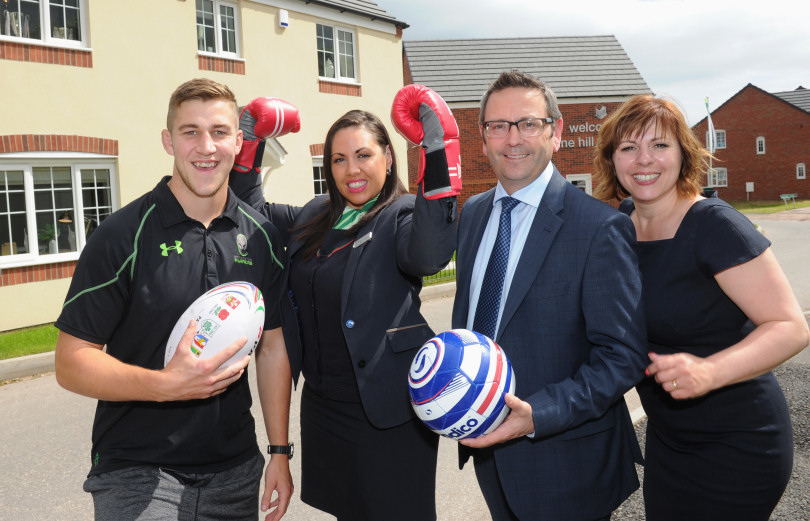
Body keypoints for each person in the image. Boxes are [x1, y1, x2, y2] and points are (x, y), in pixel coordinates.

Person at [54, 78, 295, 521]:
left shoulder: (260, 237)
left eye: (220, 132)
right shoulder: (122, 235)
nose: (206, 147)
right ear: (169, 141)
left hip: (235, 470)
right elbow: (71, 361)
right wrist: (165, 386)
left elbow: (273, 345)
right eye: (190, 132)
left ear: (238, 142)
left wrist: (279, 450)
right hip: (138, 470)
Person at [228, 86, 460, 520]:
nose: (351, 169)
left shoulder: (403, 214)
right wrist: (249, 142)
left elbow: (430, 254)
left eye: (363, 155)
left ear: (388, 158)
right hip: (325, 408)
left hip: (387, 416)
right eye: (338, 159)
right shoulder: (315, 215)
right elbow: (247, 211)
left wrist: (437, 143)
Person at [593, 94, 810, 520]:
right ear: (612, 159)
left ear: (682, 154)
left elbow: (790, 326)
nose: (644, 160)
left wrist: (710, 372)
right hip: (668, 440)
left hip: (738, 442)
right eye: (628, 147)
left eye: (660, 145)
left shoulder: (714, 225)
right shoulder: (620, 224)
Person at [451, 70, 648, 521]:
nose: (512, 138)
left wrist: (538, 414)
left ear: (556, 132)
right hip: (490, 457)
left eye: (528, 123)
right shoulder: (475, 215)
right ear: (482, 139)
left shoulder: (599, 227)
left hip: (568, 463)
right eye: (497, 126)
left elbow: (622, 357)